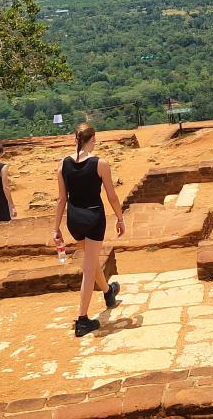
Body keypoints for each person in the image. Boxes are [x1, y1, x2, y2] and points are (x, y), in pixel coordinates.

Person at [53, 123, 126, 337]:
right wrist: (120, 218)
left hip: (74, 219)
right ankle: (82, 319)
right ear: (91, 139)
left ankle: (108, 292)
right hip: (94, 217)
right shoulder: (100, 164)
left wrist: (55, 227)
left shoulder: (63, 164)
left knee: (91, 261)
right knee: (88, 268)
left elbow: (61, 199)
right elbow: (111, 196)